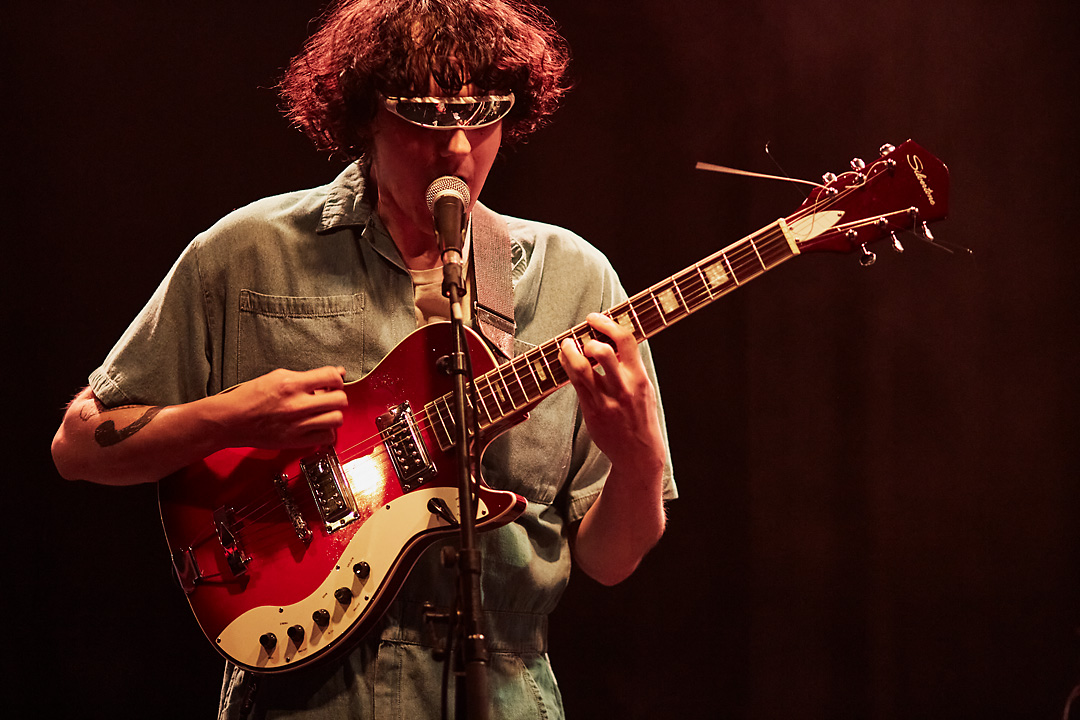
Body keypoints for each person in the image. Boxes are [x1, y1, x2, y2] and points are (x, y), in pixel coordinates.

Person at [51, 0, 676, 717]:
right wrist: (232, 416)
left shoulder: (574, 278)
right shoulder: (245, 251)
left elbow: (609, 560)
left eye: (482, 115)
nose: (457, 149)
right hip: (302, 697)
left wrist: (638, 457)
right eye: (423, 116)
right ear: (363, 115)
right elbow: (79, 446)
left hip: (503, 691)